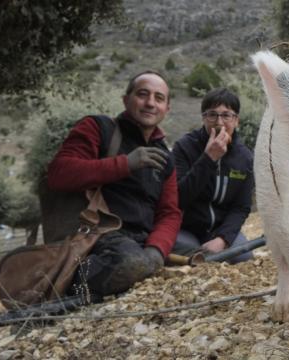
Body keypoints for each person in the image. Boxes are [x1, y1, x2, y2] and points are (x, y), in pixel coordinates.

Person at [46, 70, 182, 296]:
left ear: (166, 109)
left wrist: (156, 250)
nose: (150, 103)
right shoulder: (98, 128)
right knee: (131, 263)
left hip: (143, 243)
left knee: (198, 257)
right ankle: (66, 285)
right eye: (142, 94)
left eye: (159, 98)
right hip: (98, 237)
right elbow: (59, 173)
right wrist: (124, 164)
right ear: (125, 100)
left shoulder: (165, 156)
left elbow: (170, 213)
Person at [171, 88, 254, 264]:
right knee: (184, 254)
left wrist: (222, 239)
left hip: (221, 230)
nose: (219, 122)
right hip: (186, 229)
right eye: (212, 115)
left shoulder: (244, 157)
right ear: (203, 118)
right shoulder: (184, 147)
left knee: (244, 257)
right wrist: (209, 158)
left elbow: (241, 207)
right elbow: (178, 198)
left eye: (226, 115)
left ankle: (212, 252)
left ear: (236, 120)